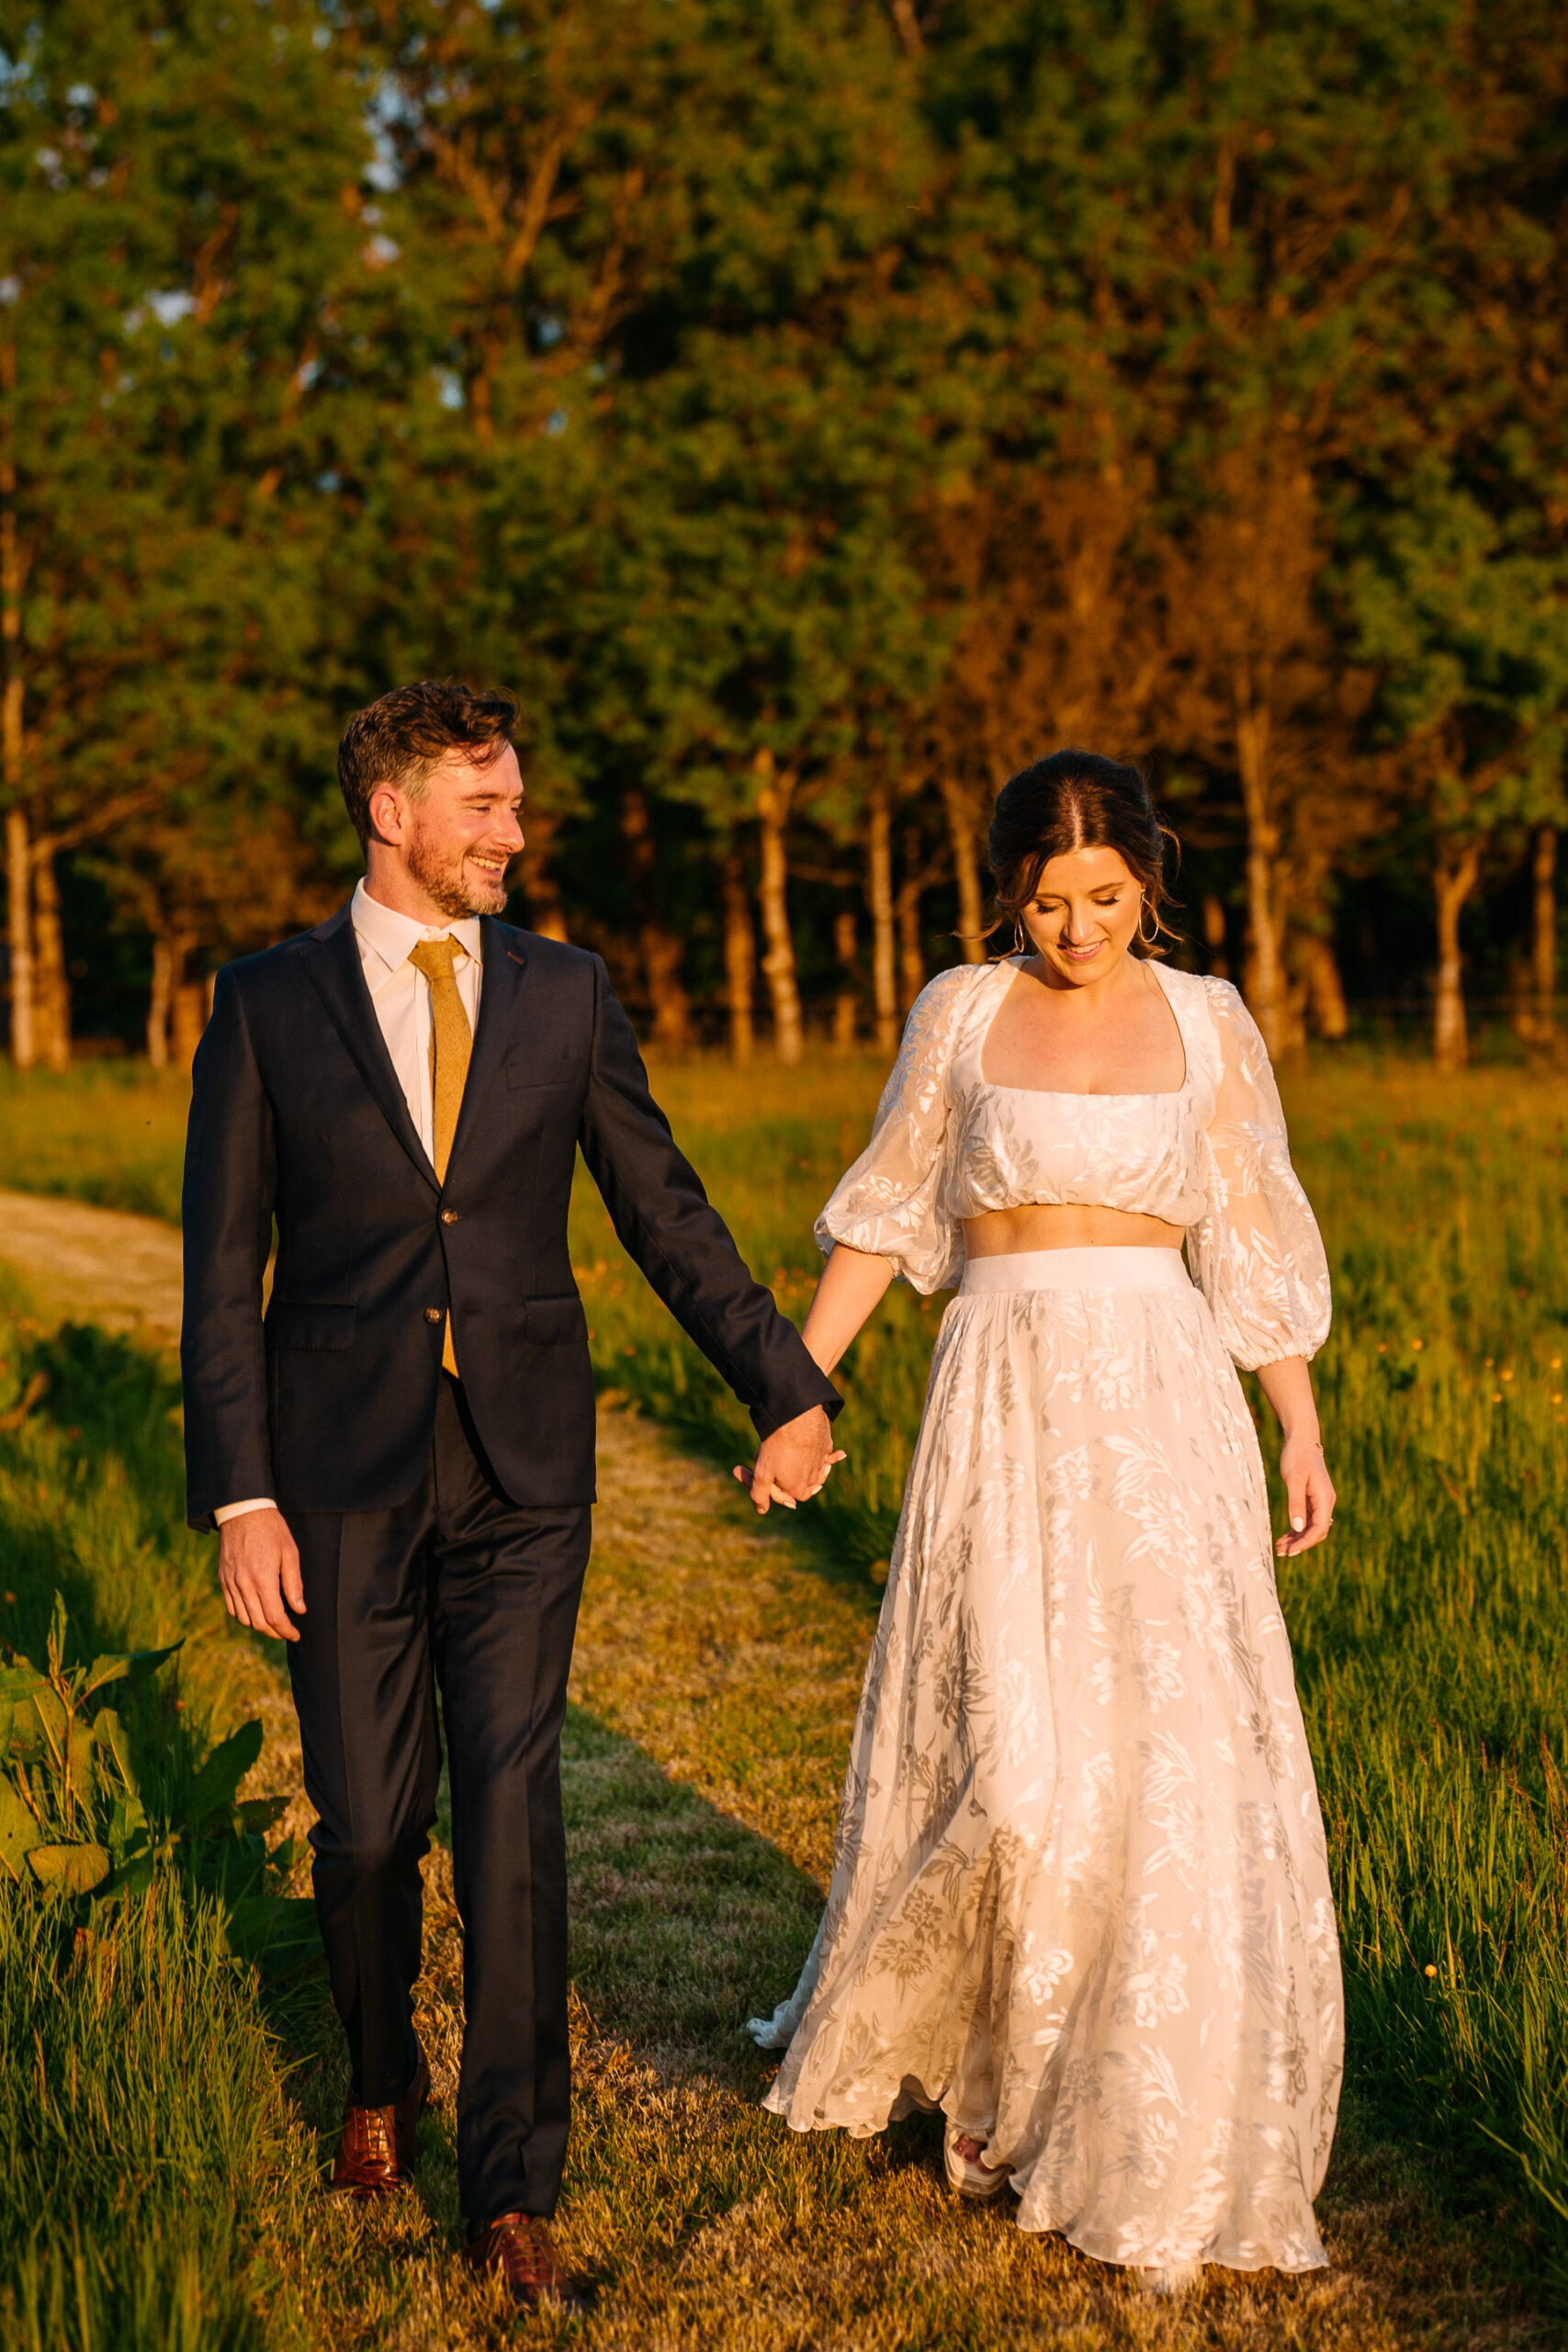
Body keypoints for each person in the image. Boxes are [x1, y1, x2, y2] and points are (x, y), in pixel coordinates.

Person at [181, 679, 842, 2312]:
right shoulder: (267, 1001)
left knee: (511, 1817)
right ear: (392, 811)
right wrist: (238, 1497)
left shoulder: (567, 994)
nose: (517, 833)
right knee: (363, 1827)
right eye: (486, 807)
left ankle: (510, 2191)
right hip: (333, 1469)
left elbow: (660, 1206)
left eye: (519, 804)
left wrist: (785, 1379)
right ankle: (373, 2076)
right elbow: (218, 1270)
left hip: (528, 1464)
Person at [750, 750, 1340, 2294]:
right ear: (1008, 894)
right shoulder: (959, 1009)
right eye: (1048, 901)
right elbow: (887, 1209)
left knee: (1156, 1763)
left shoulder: (1211, 1023)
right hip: (999, 1401)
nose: (1077, 929)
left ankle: (1104, 2098)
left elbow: (1256, 1229)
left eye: (1105, 898)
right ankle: (991, 2068)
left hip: (1163, 1411)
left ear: (1148, 878)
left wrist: (1298, 1428)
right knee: (1013, 1758)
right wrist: (798, 1392)